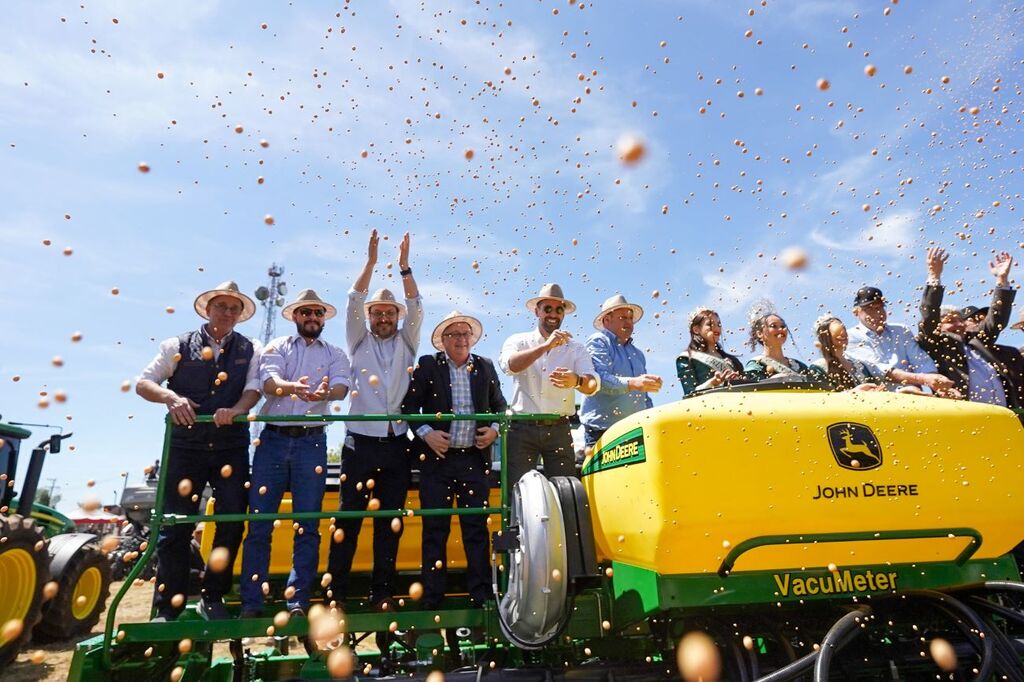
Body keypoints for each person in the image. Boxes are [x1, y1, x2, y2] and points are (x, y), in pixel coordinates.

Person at [136, 281, 261, 621]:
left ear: (240, 315)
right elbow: (144, 383)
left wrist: (236, 409)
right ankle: (168, 607)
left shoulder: (251, 349)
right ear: (208, 309)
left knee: (233, 520)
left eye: (234, 309)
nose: (228, 313)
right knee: (175, 525)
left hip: (230, 447)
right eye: (222, 307)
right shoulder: (176, 345)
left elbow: (253, 390)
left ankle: (214, 596)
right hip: (184, 447)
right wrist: (171, 398)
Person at [239, 289, 350, 618]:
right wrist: (294, 388)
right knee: (259, 523)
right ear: (295, 316)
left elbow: (342, 388)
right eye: (306, 313)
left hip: (312, 441)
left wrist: (324, 393)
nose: (312, 318)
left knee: (308, 525)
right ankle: (251, 602)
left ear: (324, 318)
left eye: (318, 313)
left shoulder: (335, 353)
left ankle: (298, 600)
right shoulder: (276, 348)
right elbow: (269, 383)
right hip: (272, 440)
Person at [326, 230, 423, 611]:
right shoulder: (357, 341)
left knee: (390, 522)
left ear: (397, 318)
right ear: (369, 318)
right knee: (347, 521)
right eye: (377, 313)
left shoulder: (408, 342)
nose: (383, 317)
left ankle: (382, 592)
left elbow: (415, 302)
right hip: (359, 444)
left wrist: (403, 267)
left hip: (397, 444)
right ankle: (336, 596)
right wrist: (369, 263)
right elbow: (353, 300)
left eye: (389, 313)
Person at [401, 311, 507, 611]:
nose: (461, 339)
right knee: (435, 528)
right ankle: (432, 599)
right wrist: (426, 434)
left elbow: (501, 406)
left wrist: (494, 431)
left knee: (475, 528)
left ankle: (482, 595)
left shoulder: (484, 367)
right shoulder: (427, 365)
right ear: (443, 341)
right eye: (454, 335)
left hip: (473, 459)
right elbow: (409, 406)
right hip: (438, 461)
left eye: (465, 334)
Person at [498, 283, 599, 485]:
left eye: (558, 310)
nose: (553, 314)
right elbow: (509, 366)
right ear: (537, 311)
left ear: (563, 315)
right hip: (521, 428)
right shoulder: (518, 341)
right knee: (517, 490)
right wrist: (546, 346)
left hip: (559, 429)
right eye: (547, 309)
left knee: (566, 489)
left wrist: (577, 381)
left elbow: (593, 384)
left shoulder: (576, 349)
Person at [918, 248, 1018, 407]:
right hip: (965, 417)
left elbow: (996, 319)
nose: (958, 324)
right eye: (950, 321)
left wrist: (1002, 279)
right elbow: (929, 317)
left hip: (1003, 416)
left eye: (960, 320)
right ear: (939, 326)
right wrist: (934, 276)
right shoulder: (938, 346)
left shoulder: (977, 341)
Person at [580, 294, 662, 446]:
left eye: (630, 318)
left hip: (634, 430)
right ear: (606, 320)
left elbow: (643, 397)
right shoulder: (599, 341)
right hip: (602, 430)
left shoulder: (638, 354)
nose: (629, 322)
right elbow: (599, 380)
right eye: (623, 317)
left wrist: (652, 417)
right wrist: (634, 383)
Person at [846, 286, 953, 395]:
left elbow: (920, 361)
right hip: (881, 400)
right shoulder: (851, 337)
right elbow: (879, 370)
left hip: (916, 396)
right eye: (870, 309)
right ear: (856, 312)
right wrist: (924, 379)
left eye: (880, 307)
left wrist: (938, 383)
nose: (877, 313)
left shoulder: (901, 330)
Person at [813, 316, 952, 393]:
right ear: (825, 338)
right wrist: (853, 393)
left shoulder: (858, 364)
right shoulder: (818, 368)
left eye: (844, 334)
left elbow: (884, 372)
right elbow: (820, 402)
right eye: (838, 335)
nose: (844, 337)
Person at [963, 305, 1024, 408]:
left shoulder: (1011, 353)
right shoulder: (1012, 355)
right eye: (975, 320)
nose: (982, 324)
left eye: (984, 319)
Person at [676, 308, 746, 394]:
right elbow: (690, 393)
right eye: (710, 324)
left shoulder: (733, 360)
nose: (716, 328)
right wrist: (713, 383)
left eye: (719, 324)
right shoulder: (686, 358)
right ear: (696, 329)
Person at [744, 308, 823, 382]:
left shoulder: (799, 366)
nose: (781, 329)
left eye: (783, 326)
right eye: (773, 326)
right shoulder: (755, 365)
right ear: (759, 333)